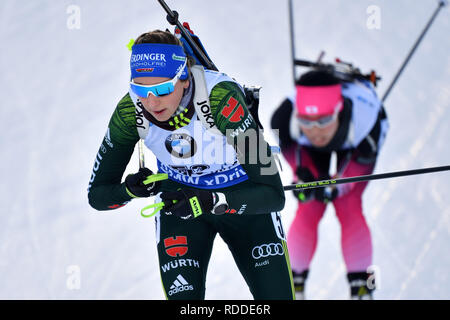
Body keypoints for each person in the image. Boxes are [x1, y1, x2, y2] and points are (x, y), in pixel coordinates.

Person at [87, 29, 295, 300]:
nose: (151, 101)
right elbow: (98, 195)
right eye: (140, 89)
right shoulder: (130, 112)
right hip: (180, 202)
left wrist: (214, 200)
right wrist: (129, 190)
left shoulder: (221, 99)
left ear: (184, 78)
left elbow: (274, 196)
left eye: (162, 88)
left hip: (243, 197)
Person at [270, 69, 388, 299]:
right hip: (309, 147)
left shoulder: (367, 122)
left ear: (338, 111)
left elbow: (355, 170)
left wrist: (338, 185)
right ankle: (292, 283)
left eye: (323, 120)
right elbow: (294, 156)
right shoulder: (284, 119)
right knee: (311, 204)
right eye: (306, 121)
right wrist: (301, 177)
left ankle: (363, 287)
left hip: (356, 144)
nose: (315, 130)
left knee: (349, 203)